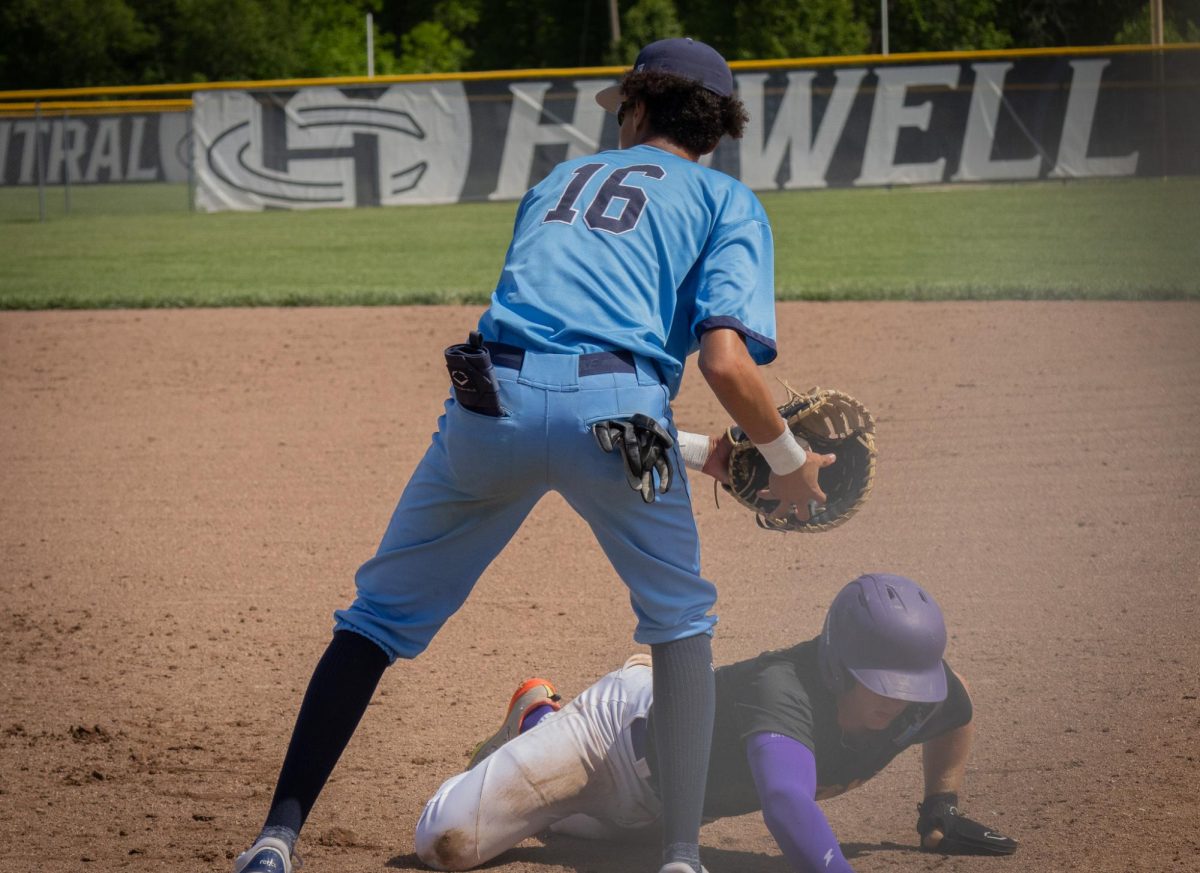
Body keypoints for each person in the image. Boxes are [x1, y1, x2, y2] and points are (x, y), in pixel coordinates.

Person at [233, 37, 836, 873]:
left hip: (492, 410)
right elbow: (715, 366)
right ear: (718, 128)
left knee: (372, 621)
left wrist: (700, 452)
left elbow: (555, 374)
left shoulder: (555, 184)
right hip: (619, 421)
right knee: (680, 622)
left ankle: (274, 839)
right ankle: (681, 857)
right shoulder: (726, 200)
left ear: (638, 107)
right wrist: (786, 458)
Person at [414, 574, 1019, 872]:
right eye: (883, 687)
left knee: (566, 834)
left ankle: (560, 737)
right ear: (838, 666)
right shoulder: (783, 689)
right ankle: (538, 715)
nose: (900, 702)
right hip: (610, 741)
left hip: (660, 814)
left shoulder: (923, 693)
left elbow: (954, 709)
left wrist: (940, 806)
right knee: (446, 845)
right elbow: (786, 800)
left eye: (912, 687)